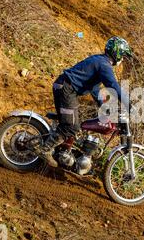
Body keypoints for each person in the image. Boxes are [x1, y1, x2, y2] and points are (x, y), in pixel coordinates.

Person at [35, 36, 133, 167]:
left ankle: (64, 151)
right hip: (66, 88)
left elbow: (95, 89)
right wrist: (128, 103)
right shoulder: (104, 65)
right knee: (71, 127)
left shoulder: (100, 61)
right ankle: (45, 149)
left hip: (67, 89)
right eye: (123, 55)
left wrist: (105, 108)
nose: (122, 59)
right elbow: (113, 85)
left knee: (75, 124)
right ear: (117, 52)